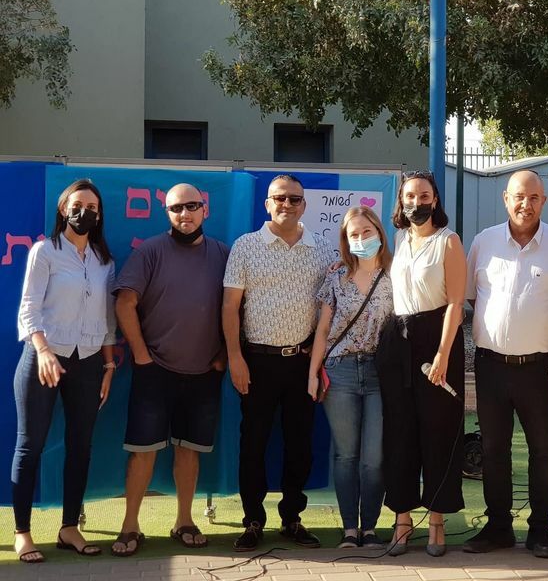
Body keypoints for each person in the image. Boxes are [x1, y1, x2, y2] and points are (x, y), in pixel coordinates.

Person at [111, 183, 230, 557]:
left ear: (205, 209)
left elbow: (238, 307)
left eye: (192, 206)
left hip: (204, 373)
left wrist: (224, 355)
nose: (185, 214)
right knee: (142, 452)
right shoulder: (149, 252)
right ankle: (130, 525)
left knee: (189, 451)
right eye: (176, 208)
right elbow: (124, 303)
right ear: (167, 213)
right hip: (155, 371)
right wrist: (142, 356)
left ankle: (184, 521)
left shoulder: (224, 254)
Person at [463, 171, 548, 559]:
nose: (524, 204)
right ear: (505, 199)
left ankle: (541, 530)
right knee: (493, 450)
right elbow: (475, 298)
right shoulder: (483, 242)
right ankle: (498, 527)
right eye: (518, 197)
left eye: (533, 198)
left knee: (543, 451)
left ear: (544, 201)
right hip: (491, 366)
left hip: (541, 369)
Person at [223, 175, 338, 552]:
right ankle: (253, 520)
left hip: (302, 363)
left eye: (294, 199)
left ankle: (292, 518)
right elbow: (230, 307)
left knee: (300, 444)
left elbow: (332, 306)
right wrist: (235, 357)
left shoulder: (322, 248)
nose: (286, 204)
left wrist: (317, 364)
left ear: (304, 205)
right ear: (267, 204)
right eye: (279, 198)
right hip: (256, 361)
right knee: (253, 444)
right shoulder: (246, 246)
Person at [13, 180, 116, 563]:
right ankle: (22, 533)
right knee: (31, 446)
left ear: (99, 215)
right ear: (63, 209)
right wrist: (42, 351)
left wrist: (108, 365)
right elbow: (29, 308)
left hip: (88, 361)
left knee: (81, 447)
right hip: (44, 358)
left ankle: (69, 527)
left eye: (92, 207)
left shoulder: (105, 261)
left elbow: (108, 318)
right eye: (77, 205)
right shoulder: (45, 251)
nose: (84, 212)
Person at [377, 170, 466, 557]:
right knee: (400, 433)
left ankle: (437, 520)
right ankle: (402, 519)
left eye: (424, 195)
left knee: (438, 432)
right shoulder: (399, 239)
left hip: (437, 339)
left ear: (435, 199)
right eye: (410, 196)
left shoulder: (448, 241)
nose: (417, 202)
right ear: (402, 200)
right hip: (399, 341)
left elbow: (456, 303)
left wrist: (443, 354)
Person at [308, 207, 393, 549]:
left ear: (379, 232)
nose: (361, 239)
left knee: (374, 458)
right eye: (353, 234)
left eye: (366, 232)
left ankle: (370, 528)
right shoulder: (336, 276)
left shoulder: (395, 275)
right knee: (346, 455)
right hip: (339, 370)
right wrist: (313, 373)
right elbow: (323, 329)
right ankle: (349, 529)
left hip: (380, 373)